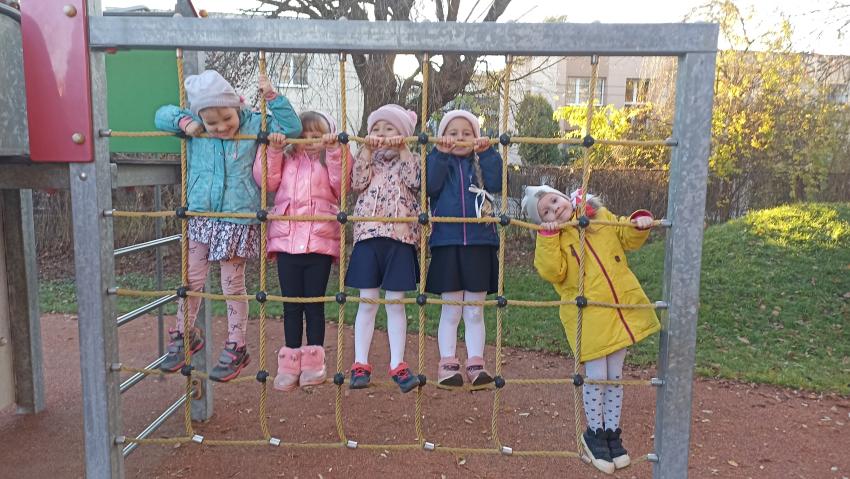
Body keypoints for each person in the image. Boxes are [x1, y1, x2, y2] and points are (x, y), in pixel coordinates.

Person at [154, 69, 301, 382]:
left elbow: (292, 127)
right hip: (200, 215)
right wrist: (186, 122)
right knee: (191, 279)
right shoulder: (195, 128)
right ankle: (184, 334)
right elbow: (161, 115)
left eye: (226, 118)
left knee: (231, 284)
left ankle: (237, 345)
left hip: (236, 218)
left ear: (237, 106)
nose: (221, 127)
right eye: (212, 123)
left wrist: (272, 96)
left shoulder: (254, 123)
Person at [522, 185, 660, 474]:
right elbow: (552, 271)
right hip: (587, 317)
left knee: (615, 377)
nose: (554, 209)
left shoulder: (598, 217)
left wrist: (639, 224)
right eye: (545, 212)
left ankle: (611, 434)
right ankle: (594, 433)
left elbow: (625, 234)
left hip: (617, 310)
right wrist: (548, 237)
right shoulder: (556, 239)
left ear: (564, 197)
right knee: (597, 377)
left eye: (554, 201)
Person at [253, 111, 351, 391]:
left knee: (314, 304)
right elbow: (266, 181)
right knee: (291, 305)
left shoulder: (328, 161)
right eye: (303, 135)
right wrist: (273, 149)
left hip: (319, 244)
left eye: (316, 135)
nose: (309, 140)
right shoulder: (285, 160)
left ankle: (314, 363)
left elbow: (342, 184)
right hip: (287, 243)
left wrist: (335, 150)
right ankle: (289, 364)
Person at [346, 104, 422, 393]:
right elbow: (357, 182)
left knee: (395, 302)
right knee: (367, 301)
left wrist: (404, 149)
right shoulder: (367, 160)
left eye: (390, 129)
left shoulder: (410, 159)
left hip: (401, 238)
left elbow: (415, 181)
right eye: (377, 129)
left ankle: (398, 364)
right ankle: (360, 363)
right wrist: (366, 150)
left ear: (402, 134)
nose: (382, 134)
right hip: (368, 236)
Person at [425, 110, 502, 388]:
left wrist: (488, 153)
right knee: (451, 310)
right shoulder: (439, 162)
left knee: (474, 311)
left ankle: (476, 363)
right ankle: (447, 364)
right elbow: (429, 186)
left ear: (476, 138)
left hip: (480, 244)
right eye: (453, 133)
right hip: (448, 243)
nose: (459, 138)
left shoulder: (479, 165)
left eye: (467, 133)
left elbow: (497, 183)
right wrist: (439, 153)